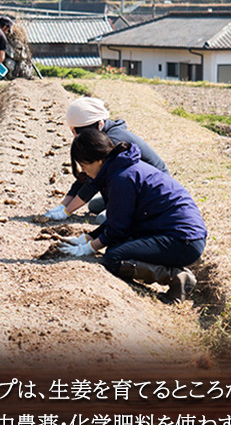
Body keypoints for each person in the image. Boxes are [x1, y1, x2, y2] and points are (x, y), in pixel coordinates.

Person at [58, 129, 207, 304]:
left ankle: (177, 277)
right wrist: (87, 239)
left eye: (84, 166)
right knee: (116, 246)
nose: (84, 171)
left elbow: (118, 229)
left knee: (113, 257)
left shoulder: (121, 178)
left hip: (183, 240)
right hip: (175, 233)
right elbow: (119, 218)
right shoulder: (120, 168)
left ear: (98, 160)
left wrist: (88, 248)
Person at [44, 97, 169, 222]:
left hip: (152, 192)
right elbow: (87, 176)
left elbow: (94, 182)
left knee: (102, 219)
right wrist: (62, 205)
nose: (77, 137)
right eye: (73, 132)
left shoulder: (111, 142)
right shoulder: (100, 137)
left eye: (81, 132)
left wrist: (67, 211)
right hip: (128, 188)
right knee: (94, 206)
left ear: (100, 124)